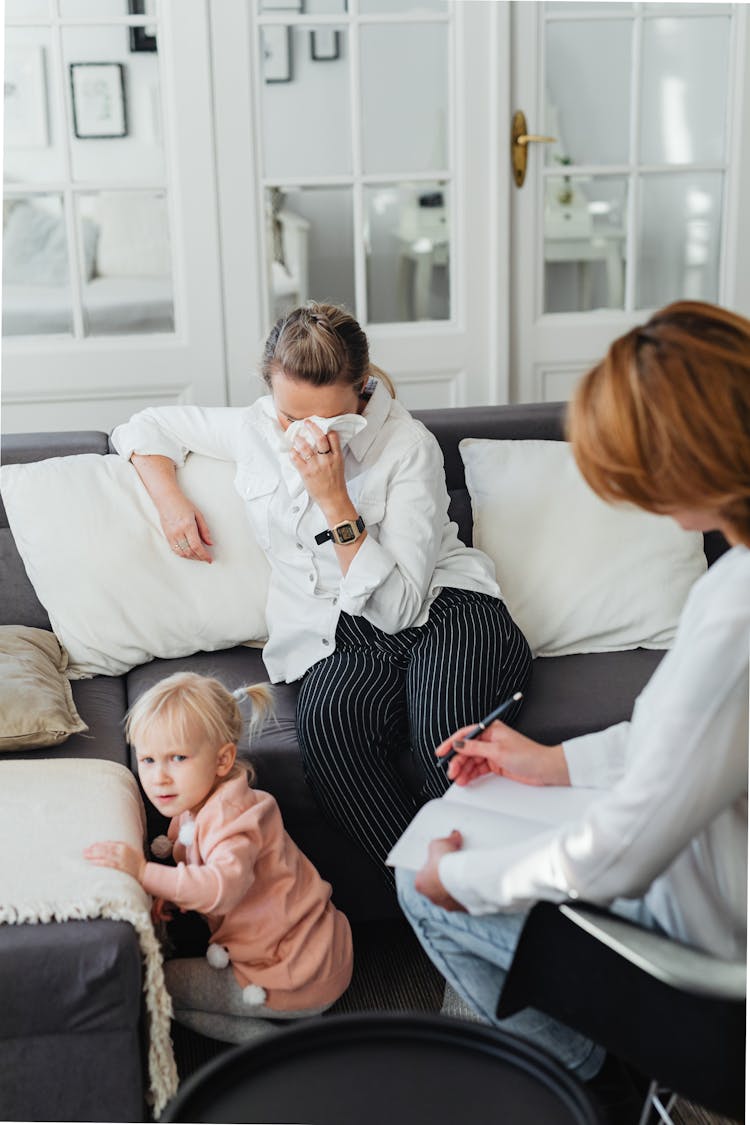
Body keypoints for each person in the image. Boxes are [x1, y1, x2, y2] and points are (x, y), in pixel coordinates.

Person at [397, 300, 749, 1087]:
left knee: (417, 885)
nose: (638, 497)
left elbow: (618, 854)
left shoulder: (737, 610)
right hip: (713, 882)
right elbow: (707, 737)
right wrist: (555, 762)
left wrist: (456, 879)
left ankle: (583, 1082)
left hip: (712, 965)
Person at [110, 302, 532, 880]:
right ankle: (433, 892)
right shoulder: (255, 428)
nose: (307, 435)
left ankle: (490, 896)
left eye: (331, 421)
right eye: (291, 416)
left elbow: (400, 607)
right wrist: (171, 502)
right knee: (333, 736)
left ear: (361, 390)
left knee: (445, 736)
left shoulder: (408, 446)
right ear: (270, 391)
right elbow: (141, 427)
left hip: (442, 608)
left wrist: (336, 501)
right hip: (339, 632)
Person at [84, 671, 354, 1044]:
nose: (158, 777)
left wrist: (143, 872)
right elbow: (193, 854)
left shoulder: (230, 820)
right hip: (320, 947)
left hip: (294, 972)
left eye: (177, 758)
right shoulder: (204, 801)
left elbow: (221, 888)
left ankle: (279, 1047)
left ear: (223, 759)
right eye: (147, 760)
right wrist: (171, 895)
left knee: (154, 986)